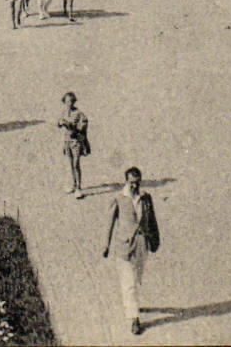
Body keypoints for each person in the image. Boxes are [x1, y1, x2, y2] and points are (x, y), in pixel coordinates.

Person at [101, 166, 161, 335]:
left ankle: (131, 305)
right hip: (124, 247)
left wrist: (155, 240)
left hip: (141, 246)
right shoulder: (119, 198)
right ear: (126, 181)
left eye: (137, 182)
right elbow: (109, 223)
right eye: (131, 183)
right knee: (129, 283)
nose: (135, 186)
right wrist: (106, 244)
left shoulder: (146, 198)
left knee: (136, 279)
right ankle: (134, 319)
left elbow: (152, 220)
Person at [58, 92, 90, 196]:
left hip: (76, 141)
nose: (69, 103)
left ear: (74, 101)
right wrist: (61, 122)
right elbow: (58, 123)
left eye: (71, 101)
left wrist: (73, 127)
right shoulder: (64, 112)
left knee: (76, 164)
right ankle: (73, 184)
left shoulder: (79, 113)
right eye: (67, 101)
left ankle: (78, 187)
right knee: (70, 164)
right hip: (67, 141)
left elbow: (83, 125)